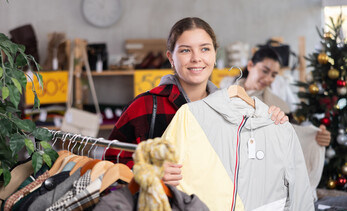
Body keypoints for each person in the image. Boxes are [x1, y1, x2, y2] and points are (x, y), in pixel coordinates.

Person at [107, 17, 288, 186]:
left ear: (215, 55)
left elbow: (253, 163)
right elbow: (109, 163)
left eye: (205, 49)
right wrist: (148, 172)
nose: (196, 58)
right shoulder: (146, 106)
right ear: (171, 58)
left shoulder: (233, 108)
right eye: (186, 50)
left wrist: (272, 123)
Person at [220, 47, 331, 147]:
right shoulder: (223, 93)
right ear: (250, 66)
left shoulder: (278, 106)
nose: (269, 79)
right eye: (265, 71)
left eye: (273, 75)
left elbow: (292, 133)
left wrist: (315, 136)